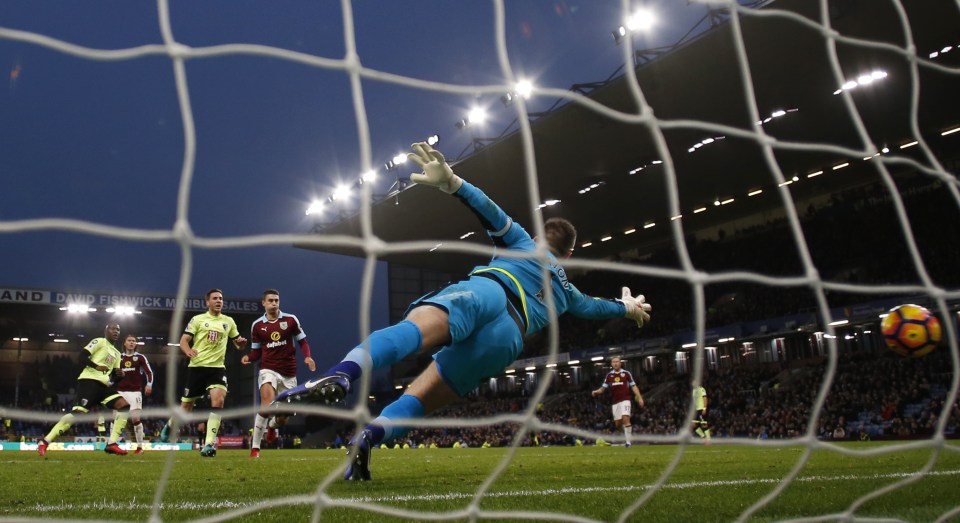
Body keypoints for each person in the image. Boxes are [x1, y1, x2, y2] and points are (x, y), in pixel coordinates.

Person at [278, 142, 652, 481]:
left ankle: (343, 375)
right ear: (568, 255)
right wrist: (627, 307)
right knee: (422, 398)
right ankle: (371, 435)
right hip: (507, 340)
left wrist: (453, 182)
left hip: (489, 292)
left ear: (540, 238)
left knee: (412, 331)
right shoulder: (568, 291)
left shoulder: (522, 241)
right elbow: (596, 308)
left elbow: (489, 210)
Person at [159, 288, 248, 457]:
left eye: (221, 298)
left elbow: (238, 343)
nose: (218, 301)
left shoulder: (228, 321)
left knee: (219, 400)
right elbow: (184, 340)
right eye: (215, 298)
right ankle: (170, 425)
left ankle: (209, 445)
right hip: (197, 367)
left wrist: (241, 343)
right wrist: (188, 351)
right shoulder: (198, 320)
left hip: (217, 368)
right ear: (207, 302)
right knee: (186, 408)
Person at [241, 288, 316, 458]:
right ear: (264, 303)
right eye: (271, 301)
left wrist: (308, 357)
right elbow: (256, 352)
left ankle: (272, 427)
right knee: (266, 405)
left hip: (289, 374)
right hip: (268, 369)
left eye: (276, 300)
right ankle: (255, 449)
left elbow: (303, 342)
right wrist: (248, 358)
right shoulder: (257, 325)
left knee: (283, 418)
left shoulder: (290, 320)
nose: (274, 303)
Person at [37, 323, 131, 457]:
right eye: (113, 329)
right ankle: (45, 441)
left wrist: (119, 376)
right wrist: (96, 366)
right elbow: (81, 357)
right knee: (77, 414)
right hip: (89, 382)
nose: (116, 331)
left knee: (124, 406)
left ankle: (112, 444)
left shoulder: (117, 353)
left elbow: (113, 377)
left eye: (118, 329)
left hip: (104, 387)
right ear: (106, 330)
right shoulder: (99, 341)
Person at [112, 333, 155, 454]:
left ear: (135, 344)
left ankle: (140, 447)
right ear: (124, 343)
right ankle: (112, 444)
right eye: (129, 340)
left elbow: (149, 372)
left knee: (135, 419)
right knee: (115, 419)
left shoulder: (140, 357)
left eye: (134, 341)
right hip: (120, 392)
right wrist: (109, 383)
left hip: (135, 393)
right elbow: (112, 373)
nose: (131, 342)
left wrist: (149, 384)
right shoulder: (118, 357)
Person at [591, 355, 644, 447]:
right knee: (618, 424)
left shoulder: (626, 374)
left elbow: (634, 386)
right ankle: (626, 435)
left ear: (620, 363)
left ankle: (628, 442)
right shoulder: (609, 376)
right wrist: (596, 392)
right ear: (611, 364)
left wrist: (639, 397)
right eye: (613, 362)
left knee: (625, 418)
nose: (615, 363)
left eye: (617, 361)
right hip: (615, 402)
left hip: (625, 400)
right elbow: (603, 388)